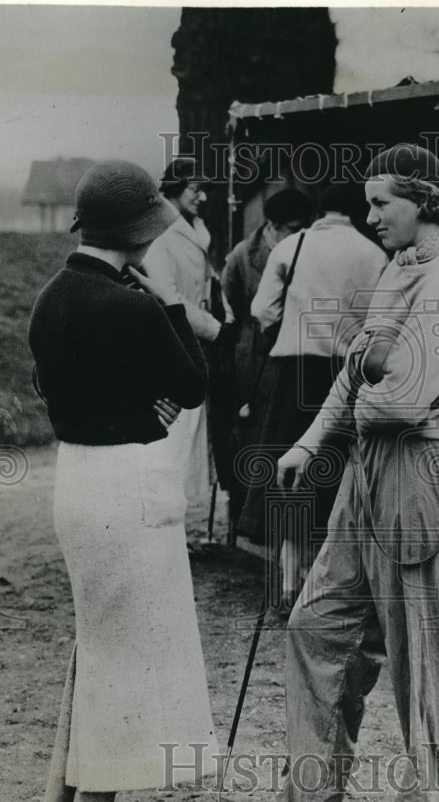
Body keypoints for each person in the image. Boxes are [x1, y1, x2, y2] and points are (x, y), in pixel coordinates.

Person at [220, 144, 439, 802]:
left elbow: (400, 402)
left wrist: (374, 383)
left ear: (425, 202)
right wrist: (310, 443)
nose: (370, 217)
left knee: (418, 655)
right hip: (363, 473)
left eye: (382, 204)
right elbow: (355, 376)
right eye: (369, 203)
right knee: (314, 626)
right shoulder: (395, 270)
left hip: (421, 474)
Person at [22, 160, 219, 802]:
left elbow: (59, 388)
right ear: (140, 230)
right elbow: (192, 385)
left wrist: (136, 403)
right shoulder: (133, 304)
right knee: (124, 662)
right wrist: (167, 302)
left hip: (75, 478)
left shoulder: (50, 298)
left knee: (97, 649)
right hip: (130, 487)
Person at [236, 183, 387, 616]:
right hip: (347, 376)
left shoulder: (291, 246)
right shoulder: (374, 254)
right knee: (338, 477)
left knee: (292, 481)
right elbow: (382, 321)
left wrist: (292, 325)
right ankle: (335, 588)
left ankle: (288, 587)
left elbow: (262, 310)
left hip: (295, 371)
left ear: (320, 213)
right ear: (355, 213)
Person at [143, 156, 235, 512]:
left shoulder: (195, 227)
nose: (203, 197)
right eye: (197, 189)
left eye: (205, 190)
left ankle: (178, 522)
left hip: (194, 340)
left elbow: (210, 281)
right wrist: (215, 329)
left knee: (192, 431)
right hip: (171, 339)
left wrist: (225, 316)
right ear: (176, 188)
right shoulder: (161, 230)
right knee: (174, 431)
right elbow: (167, 293)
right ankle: (162, 518)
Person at [222, 188, 313, 525]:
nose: (299, 234)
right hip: (255, 360)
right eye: (292, 227)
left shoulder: (308, 251)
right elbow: (230, 306)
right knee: (252, 439)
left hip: (291, 357)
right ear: (273, 225)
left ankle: (283, 518)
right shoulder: (243, 255)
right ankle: (247, 519)